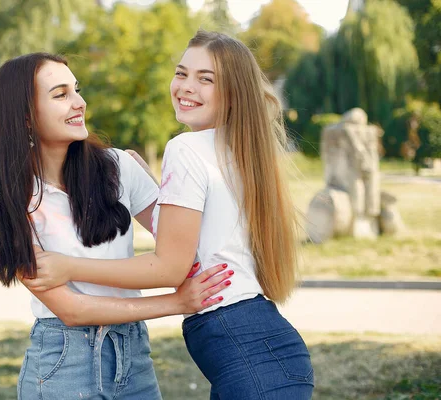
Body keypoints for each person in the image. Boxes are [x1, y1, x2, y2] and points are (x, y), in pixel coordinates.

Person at [23, 31, 315, 399]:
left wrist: (68, 266)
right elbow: (194, 244)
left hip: (244, 348)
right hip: (266, 342)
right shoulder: (239, 151)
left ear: (233, 93)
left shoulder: (186, 148)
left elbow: (171, 267)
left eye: (205, 79)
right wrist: (154, 187)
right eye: (181, 73)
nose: (186, 87)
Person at [0, 52, 230, 400]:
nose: (79, 103)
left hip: (134, 357)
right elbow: (71, 309)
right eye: (60, 94)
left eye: (77, 90)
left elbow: (186, 247)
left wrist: (170, 188)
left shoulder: (119, 168)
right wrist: (176, 302)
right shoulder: (5, 199)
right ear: (25, 117)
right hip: (62, 363)